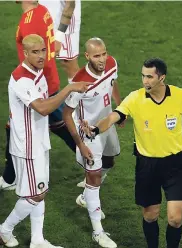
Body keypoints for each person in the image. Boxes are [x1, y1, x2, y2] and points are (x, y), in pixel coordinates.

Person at [81, 58, 182, 248]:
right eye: (143, 76)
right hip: (147, 165)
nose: (144, 81)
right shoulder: (135, 98)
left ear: (161, 77)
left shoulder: (180, 96)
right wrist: (96, 129)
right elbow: (114, 117)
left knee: (175, 218)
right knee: (150, 215)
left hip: (175, 164)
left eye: (149, 77)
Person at [0, 34, 91, 248]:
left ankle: (37, 240)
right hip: (27, 147)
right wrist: (69, 88)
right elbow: (43, 107)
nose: (41, 56)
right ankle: (4, 230)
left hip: (39, 142)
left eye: (43, 50)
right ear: (25, 53)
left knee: (41, 189)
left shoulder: (37, 71)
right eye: (35, 52)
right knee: (35, 194)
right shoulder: (22, 78)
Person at [0, 0, 76, 190]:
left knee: (61, 127)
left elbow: (38, 58)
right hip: (45, 83)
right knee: (61, 125)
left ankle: (92, 161)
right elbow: (51, 47)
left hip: (39, 85)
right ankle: (92, 160)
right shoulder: (42, 11)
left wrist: (34, 85)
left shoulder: (29, 21)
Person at [63, 37, 122, 248]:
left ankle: (84, 197)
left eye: (104, 53)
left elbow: (112, 82)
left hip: (107, 123)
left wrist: (119, 107)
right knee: (94, 175)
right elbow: (67, 114)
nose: (102, 59)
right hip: (89, 131)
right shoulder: (79, 82)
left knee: (109, 162)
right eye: (97, 55)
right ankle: (98, 232)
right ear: (87, 56)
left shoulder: (112, 63)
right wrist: (81, 144)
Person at [39, 0, 81, 81]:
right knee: (40, 59)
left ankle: (82, 93)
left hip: (64, 23)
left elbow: (70, 4)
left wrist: (58, 37)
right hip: (45, 16)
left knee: (68, 64)